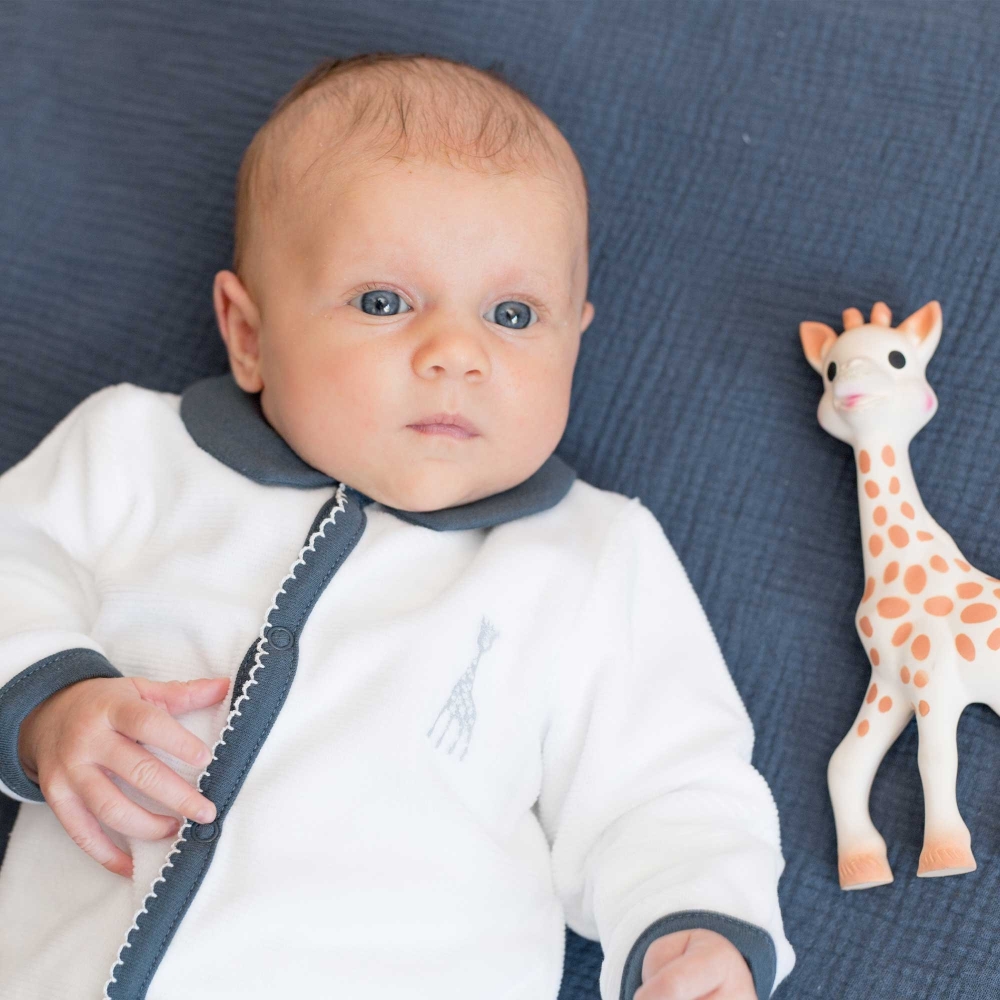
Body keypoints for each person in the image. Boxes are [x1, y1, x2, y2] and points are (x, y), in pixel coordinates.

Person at [0, 52, 795, 1000]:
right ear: (249, 334)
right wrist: (46, 701)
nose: (457, 352)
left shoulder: (588, 558)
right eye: (383, 302)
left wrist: (695, 927)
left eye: (513, 314)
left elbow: (667, 785)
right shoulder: (135, 454)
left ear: (575, 341)